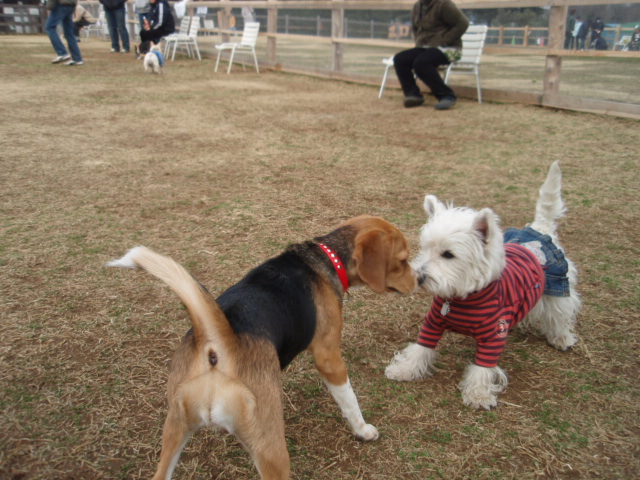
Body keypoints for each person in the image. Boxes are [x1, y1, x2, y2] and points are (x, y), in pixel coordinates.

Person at [392, 0, 469, 110]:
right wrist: (419, 43)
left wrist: (445, 40)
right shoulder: (417, 6)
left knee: (421, 63)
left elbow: (463, 23)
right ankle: (413, 95)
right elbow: (416, 28)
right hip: (425, 48)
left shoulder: (443, 4)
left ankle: (447, 95)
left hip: (449, 49)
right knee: (400, 59)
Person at [45, 0, 84, 66]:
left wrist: (49, 8)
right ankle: (77, 59)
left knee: (50, 27)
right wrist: (74, 6)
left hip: (60, 5)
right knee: (69, 33)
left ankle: (62, 53)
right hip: (71, 5)